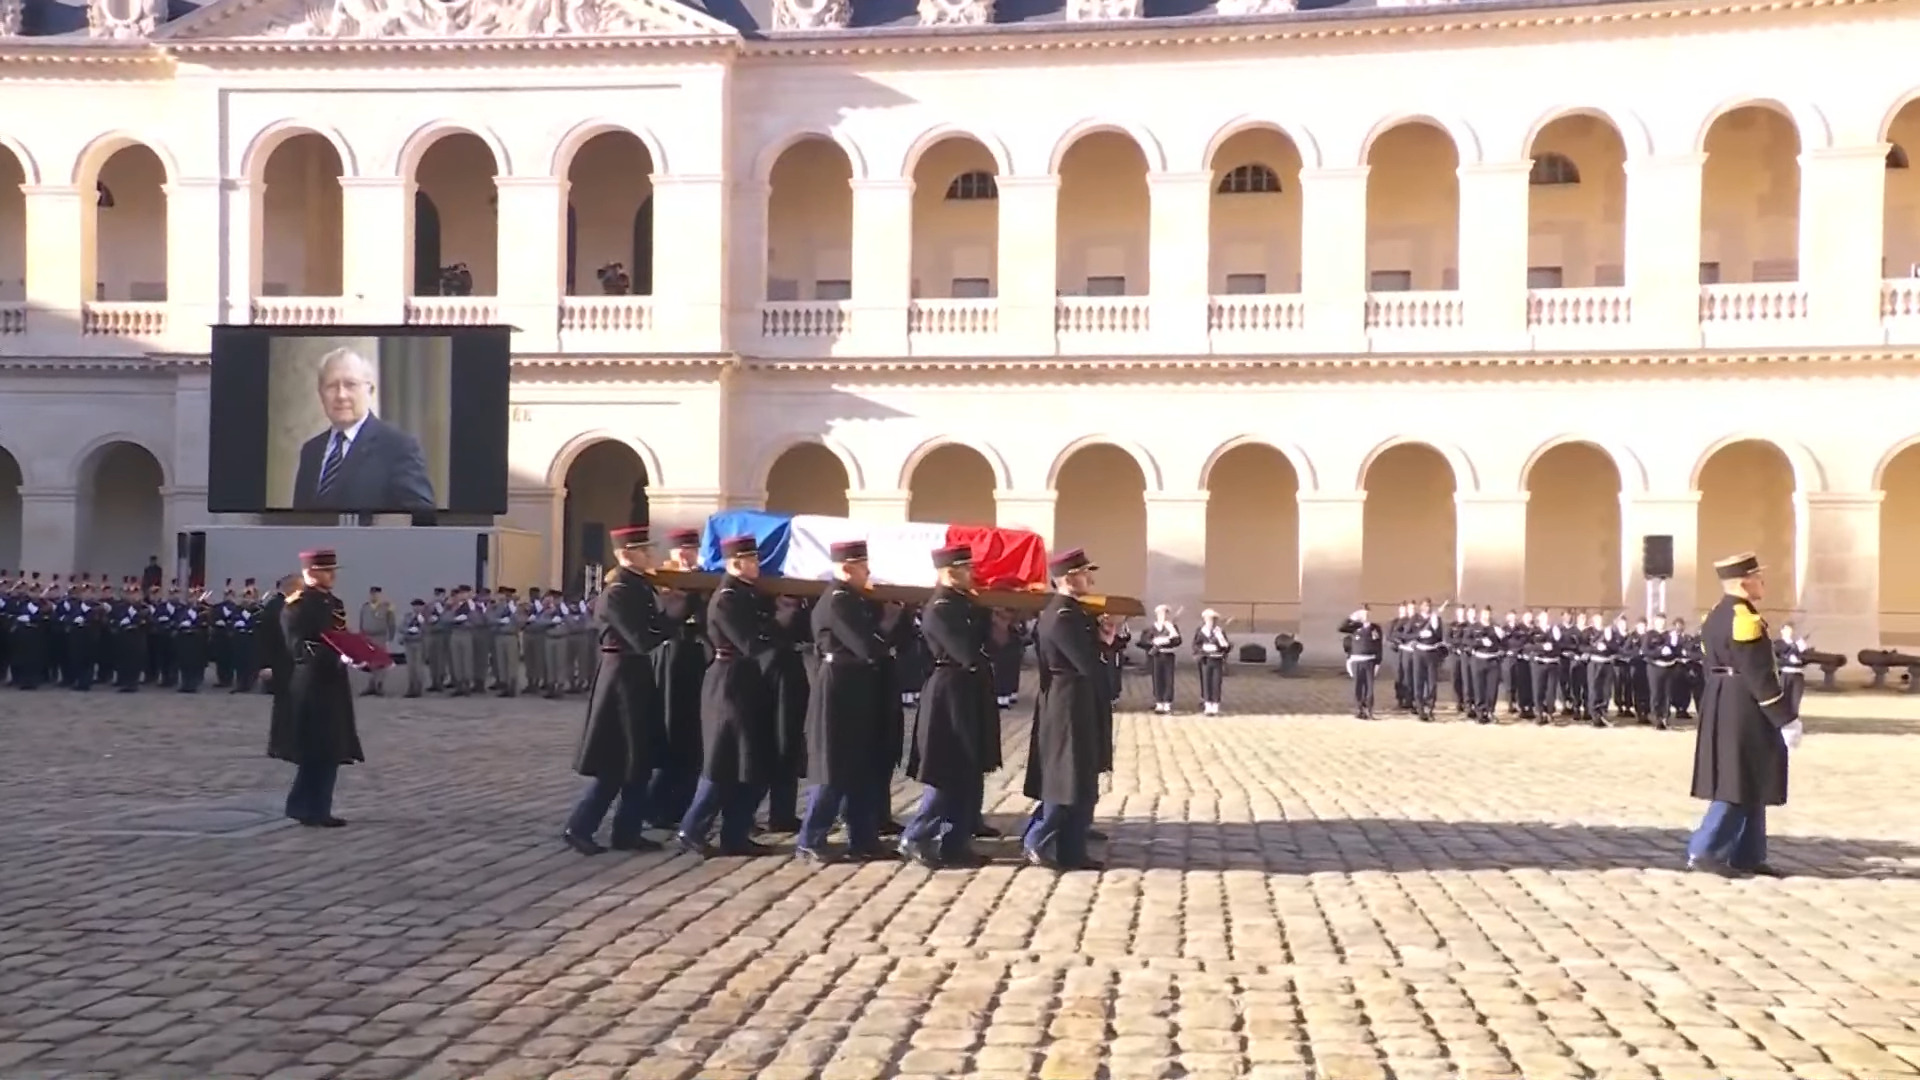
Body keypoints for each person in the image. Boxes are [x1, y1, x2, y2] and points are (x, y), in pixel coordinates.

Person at [1687, 552, 1803, 878]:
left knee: (1754, 777)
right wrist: (1784, 717)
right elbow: (1758, 673)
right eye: (1757, 576)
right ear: (1743, 582)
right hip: (1744, 704)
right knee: (1737, 778)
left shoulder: (1717, 613)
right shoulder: (1744, 618)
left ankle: (1748, 854)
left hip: (1723, 697)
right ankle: (1705, 850)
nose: (1762, 581)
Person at [563, 526, 672, 856]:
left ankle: (628, 831)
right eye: (644, 550)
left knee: (639, 761)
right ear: (626, 554)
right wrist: (670, 617)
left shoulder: (638, 586)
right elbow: (642, 638)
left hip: (637, 674)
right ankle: (579, 827)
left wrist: (669, 615)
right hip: (620, 677)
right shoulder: (618, 591)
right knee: (615, 763)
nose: (651, 554)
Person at [676, 535, 781, 858]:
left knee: (750, 765)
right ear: (736, 563)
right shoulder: (727, 598)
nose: (758, 566)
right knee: (724, 763)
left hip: (746, 682)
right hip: (729, 683)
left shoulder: (747, 595)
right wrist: (774, 631)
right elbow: (749, 642)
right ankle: (691, 828)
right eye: (752, 560)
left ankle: (735, 833)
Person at [796, 540, 894, 864]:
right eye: (863, 566)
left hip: (856, 686)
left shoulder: (854, 599)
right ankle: (811, 838)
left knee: (859, 766)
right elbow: (866, 645)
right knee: (833, 767)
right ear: (847, 567)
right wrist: (886, 630)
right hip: (838, 686)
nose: (868, 572)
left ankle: (864, 838)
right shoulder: (838, 601)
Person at [901, 544, 999, 868]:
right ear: (950, 571)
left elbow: (991, 647)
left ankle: (954, 842)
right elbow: (966, 650)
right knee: (946, 772)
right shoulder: (941, 608)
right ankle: (917, 836)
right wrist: (982, 613)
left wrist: (986, 611)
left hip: (968, 692)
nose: (972, 573)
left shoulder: (962, 604)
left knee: (967, 772)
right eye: (966, 567)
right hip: (949, 693)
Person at [1021, 548, 1116, 873]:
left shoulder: (1070, 612)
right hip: (1068, 700)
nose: (1090, 578)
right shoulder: (1062, 615)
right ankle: (1039, 840)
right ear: (1067, 578)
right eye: (1085, 572)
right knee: (1068, 774)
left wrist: (1104, 641)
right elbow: (1085, 663)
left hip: (1075, 697)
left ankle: (1072, 849)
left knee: (1080, 773)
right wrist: (1100, 651)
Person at [268, 550, 365, 828]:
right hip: (311, 683)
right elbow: (301, 646)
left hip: (333, 682)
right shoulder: (297, 605)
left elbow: (341, 636)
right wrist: (335, 655)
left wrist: (359, 654)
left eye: (333, 570)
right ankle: (305, 806)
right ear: (310, 573)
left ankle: (317, 806)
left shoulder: (333, 603)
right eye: (326, 570)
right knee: (315, 747)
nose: (332, 575)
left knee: (331, 747)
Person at [288, 346, 435, 513]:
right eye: (331, 386)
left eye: (350, 385)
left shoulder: (398, 447)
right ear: (321, 394)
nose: (341, 395)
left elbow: (420, 517)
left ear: (370, 390)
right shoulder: (311, 450)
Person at [1339, 607, 1383, 720]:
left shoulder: (1375, 628)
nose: (1366, 616)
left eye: (1367, 614)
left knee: (1369, 688)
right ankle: (1359, 709)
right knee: (1357, 686)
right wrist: (1352, 616)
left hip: (1370, 661)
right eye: (1363, 614)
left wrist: (1378, 662)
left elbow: (1379, 646)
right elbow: (1341, 627)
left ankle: (1369, 709)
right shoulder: (1354, 627)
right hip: (1357, 660)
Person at [1143, 605, 1182, 715]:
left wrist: (1168, 640)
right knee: (1157, 678)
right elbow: (1145, 640)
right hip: (1156, 655)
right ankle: (1159, 701)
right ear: (1157, 615)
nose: (1163, 616)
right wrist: (1154, 642)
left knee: (1168, 679)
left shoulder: (1172, 627)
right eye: (1161, 614)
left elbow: (1178, 641)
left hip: (1168, 655)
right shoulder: (1152, 628)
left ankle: (1167, 702)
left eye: (1165, 614)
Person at [1191, 609, 1230, 716]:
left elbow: (1226, 647)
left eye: (1212, 619)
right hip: (1205, 659)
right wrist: (1203, 648)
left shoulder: (1219, 631)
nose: (1210, 621)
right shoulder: (1200, 631)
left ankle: (1215, 704)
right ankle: (1207, 704)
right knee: (1206, 681)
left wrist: (1220, 640)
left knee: (1216, 682)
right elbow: (1195, 645)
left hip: (1216, 659)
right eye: (1208, 619)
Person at [358, 586, 395, 696]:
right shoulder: (365, 607)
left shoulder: (386, 607)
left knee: (380, 663)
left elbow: (391, 623)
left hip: (380, 637)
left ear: (380, 595)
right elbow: (361, 622)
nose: (374, 596)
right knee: (369, 663)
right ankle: (371, 685)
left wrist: (390, 637)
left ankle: (379, 685)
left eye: (376, 594)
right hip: (368, 638)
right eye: (372, 594)